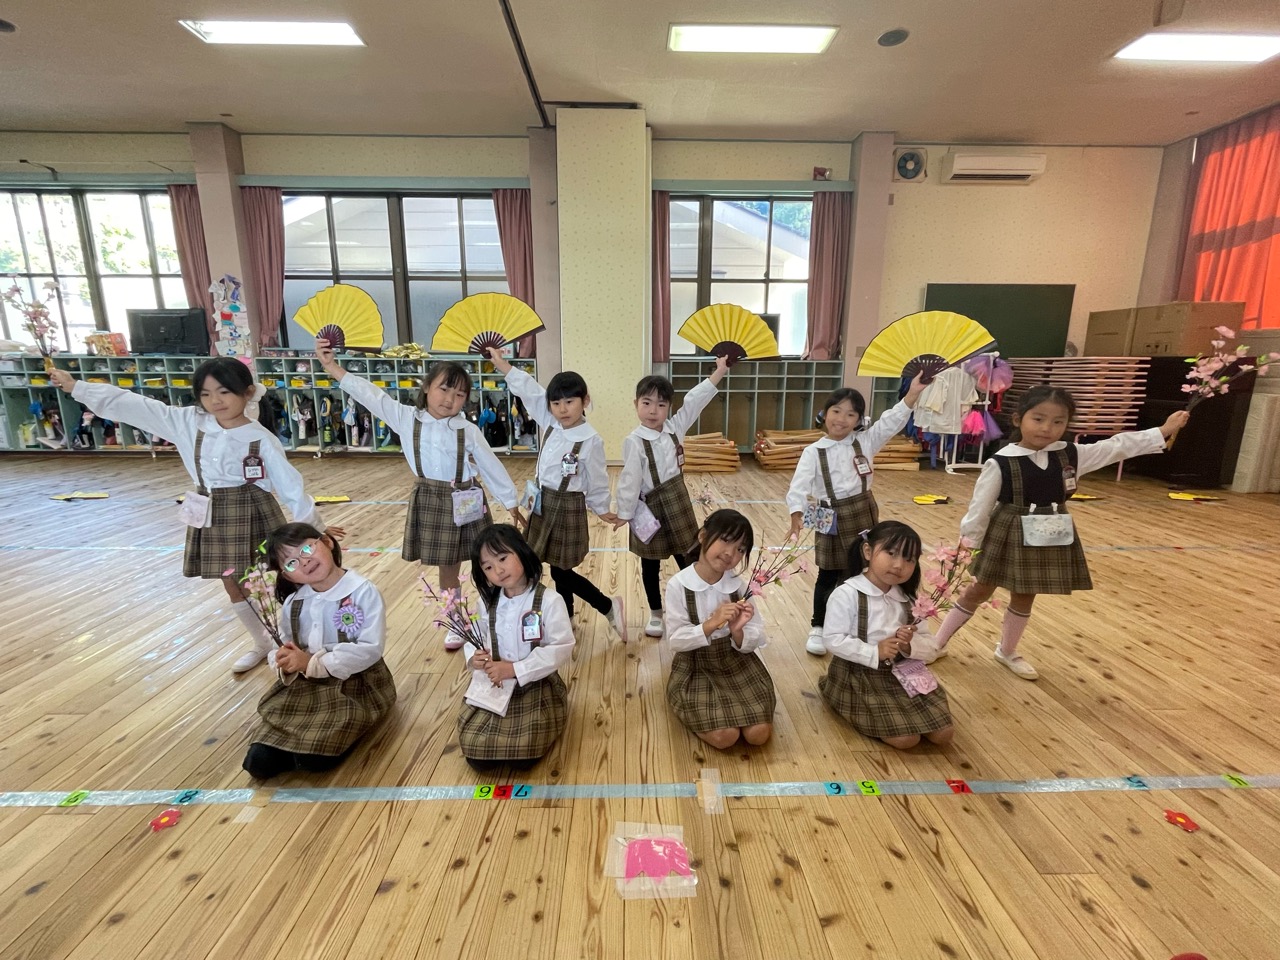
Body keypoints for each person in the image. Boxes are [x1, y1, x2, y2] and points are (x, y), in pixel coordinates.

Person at [50, 359, 340, 673]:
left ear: (247, 392)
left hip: (252, 509)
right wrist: (76, 387)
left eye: (224, 391)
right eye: (205, 394)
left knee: (272, 580)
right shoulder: (188, 422)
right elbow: (133, 405)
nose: (215, 400)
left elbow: (290, 485)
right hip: (211, 510)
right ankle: (262, 642)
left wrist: (313, 530)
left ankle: (296, 642)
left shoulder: (261, 438)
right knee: (232, 581)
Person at [932, 385, 1191, 679]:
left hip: (1049, 530)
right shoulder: (1001, 461)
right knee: (978, 590)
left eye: (1058, 421)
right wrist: (967, 546)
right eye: (1038, 419)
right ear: (1018, 419)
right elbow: (979, 508)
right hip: (1006, 532)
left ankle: (1007, 650)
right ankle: (937, 643)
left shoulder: (1070, 454)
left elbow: (1117, 446)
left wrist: (1163, 430)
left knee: (1025, 593)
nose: (1047, 428)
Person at [317, 338, 520, 651]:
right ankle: (456, 621)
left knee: (488, 561)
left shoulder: (467, 429)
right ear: (426, 387)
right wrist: (332, 367)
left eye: (459, 394)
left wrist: (512, 502)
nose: (450, 399)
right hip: (431, 499)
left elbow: (490, 465)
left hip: (466, 497)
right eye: (444, 389)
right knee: (447, 567)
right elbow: (370, 395)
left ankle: (497, 614)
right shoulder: (406, 417)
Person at [487, 347, 625, 639]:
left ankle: (606, 606)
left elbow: (597, 478)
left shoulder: (590, 440)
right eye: (556, 403)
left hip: (568, 507)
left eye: (570, 401)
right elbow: (529, 390)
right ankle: (568, 618)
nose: (563, 409)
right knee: (551, 565)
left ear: (585, 401)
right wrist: (503, 365)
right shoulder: (551, 422)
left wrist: (601, 508)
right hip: (542, 502)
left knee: (560, 569)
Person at [243, 523, 396, 779]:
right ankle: (291, 746)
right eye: (291, 563)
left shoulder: (362, 591)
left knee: (315, 760)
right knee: (257, 763)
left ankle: (305, 749)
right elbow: (284, 641)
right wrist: (282, 658)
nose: (303, 562)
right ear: (287, 576)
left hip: (353, 682)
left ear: (327, 542)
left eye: (306, 549)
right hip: (304, 684)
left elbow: (369, 649)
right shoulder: (294, 602)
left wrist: (312, 663)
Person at [786, 374, 926, 656]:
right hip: (827, 514)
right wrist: (796, 514)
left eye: (851, 414)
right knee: (828, 573)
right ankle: (819, 626)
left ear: (859, 419)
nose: (842, 419)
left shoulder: (866, 441)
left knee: (862, 570)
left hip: (862, 509)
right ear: (825, 414)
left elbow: (892, 420)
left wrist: (912, 393)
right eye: (836, 411)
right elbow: (798, 485)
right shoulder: (813, 452)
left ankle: (856, 623)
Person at [613, 357, 730, 637]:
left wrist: (720, 371)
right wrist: (624, 513)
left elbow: (695, 401)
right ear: (636, 404)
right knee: (649, 564)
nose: (653, 410)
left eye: (661, 404)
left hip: (678, 503)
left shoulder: (675, 428)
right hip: (649, 509)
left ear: (669, 408)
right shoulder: (634, 441)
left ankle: (697, 606)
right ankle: (656, 613)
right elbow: (629, 480)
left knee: (689, 557)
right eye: (647, 403)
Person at [819, 521, 954, 749]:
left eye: (909, 559)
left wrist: (910, 646)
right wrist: (874, 651)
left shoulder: (910, 599)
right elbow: (832, 639)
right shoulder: (847, 594)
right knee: (906, 740)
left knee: (944, 734)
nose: (899, 565)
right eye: (891, 553)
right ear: (868, 551)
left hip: (904, 671)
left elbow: (931, 646)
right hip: (860, 674)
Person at [457, 524, 574, 770]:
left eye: (502, 559)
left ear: (522, 552)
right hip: (496, 684)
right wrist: (474, 657)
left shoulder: (549, 601)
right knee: (475, 748)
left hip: (535, 683)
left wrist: (515, 669)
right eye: (488, 567)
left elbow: (560, 646)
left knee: (525, 750)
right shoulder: (486, 603)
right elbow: (475, 635)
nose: (498, 571)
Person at [664, 509, 775, 750]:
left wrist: (738, 631)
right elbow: (675, 640)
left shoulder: (738, 586)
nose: (730, 553)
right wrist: (710, 624)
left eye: (740, 549)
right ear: (703, 536)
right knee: (725, 737)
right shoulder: (678, 585)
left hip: (736, 662)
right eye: (725, 540)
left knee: (759, 734)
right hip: (696, 665)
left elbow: (757, 633)